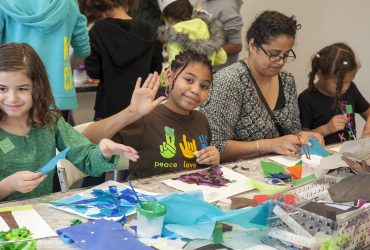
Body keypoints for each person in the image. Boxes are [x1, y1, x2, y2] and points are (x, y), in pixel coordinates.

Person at [0, 43, 140, 201]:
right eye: (2, 88)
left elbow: (86, 159)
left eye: (22, 89)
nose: (12, 98)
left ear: (37, 87)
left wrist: (103, 152)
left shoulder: (50, 121)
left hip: (41, 216)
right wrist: (8, 185)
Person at [200, 10, 323, 162]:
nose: (280, 61)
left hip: (280, 173)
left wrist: (303, 137)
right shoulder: (229, 81)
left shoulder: (287, 81)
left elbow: (292, 132)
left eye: (285, 55)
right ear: (252, 45)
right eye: (273, 54)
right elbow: (215, 146)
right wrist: (268, 145)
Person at [83, 51, 220, 179]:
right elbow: (85, 139)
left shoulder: (202, 121)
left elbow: (201, 170)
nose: (196, 90)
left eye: (204, 86)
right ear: (170, 78)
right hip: (149, 200)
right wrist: (131, 112)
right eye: (189, 80)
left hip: (189, 198)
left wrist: (212, 160)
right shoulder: (145, 118)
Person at [0, 0, 91, 124]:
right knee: (61, 141)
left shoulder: (5, 4)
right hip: (58, 94)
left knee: (10, 142)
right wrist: (64, 69)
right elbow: (83, 49)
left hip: (13, 94)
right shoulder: (69, 3)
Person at [82, 0, 163, 120]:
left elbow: (93, 72)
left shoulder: (97, 30)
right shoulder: (150, 30)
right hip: (142, 106)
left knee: (105, 139)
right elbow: (156, 70)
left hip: (108, 108)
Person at [298, 43, 370, 145]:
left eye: (349, 82)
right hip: (322, 157)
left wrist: (368, 127)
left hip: (349, 155)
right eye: (340, 83)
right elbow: (300, 137)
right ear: (320, 74)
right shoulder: (306, 99)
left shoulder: (351, 89)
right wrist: (327, 128)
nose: (345, 87)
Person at [157, 0, 227, 66]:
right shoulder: (205, 26)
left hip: (187, 78)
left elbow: (175, 67)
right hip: (206, 76)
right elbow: (222, 59)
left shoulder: (174, 34)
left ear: (169, 18)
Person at [194, 0, 243, 70]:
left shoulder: (228, 7)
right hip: (201, 67)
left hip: (220, 72)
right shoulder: (200, 2)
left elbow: (236, 46)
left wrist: (207, 54)